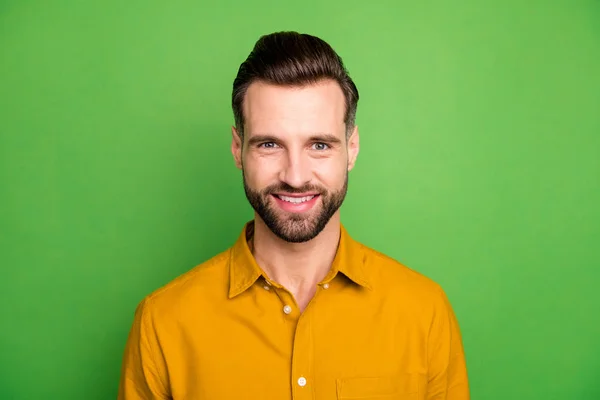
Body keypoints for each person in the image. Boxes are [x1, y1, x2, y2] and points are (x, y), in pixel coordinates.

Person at [118, 31, 470, 400]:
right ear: (238, 149)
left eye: (319, 145)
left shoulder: (424, 314)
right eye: (269, 144)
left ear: (351, 149)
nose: (296, 176)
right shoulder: (162, 322)